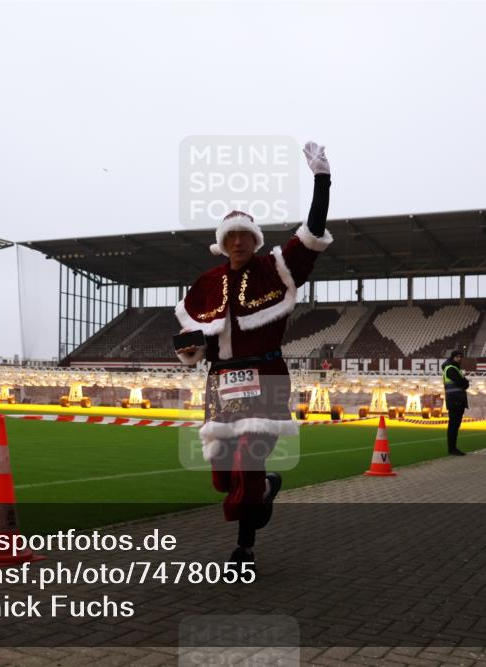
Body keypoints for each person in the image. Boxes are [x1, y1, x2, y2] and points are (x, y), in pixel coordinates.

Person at [175, 141, 332, 568]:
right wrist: (189, 351)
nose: (239, 242)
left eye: (245, 235)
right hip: (220, 384)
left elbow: (311, 235)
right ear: (223, 243)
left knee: (247, 463)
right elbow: (194, 338)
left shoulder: (274, 269)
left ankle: (243, 549)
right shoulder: (207, 281)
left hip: (264, 377)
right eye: (231, 237)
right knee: (224, 476)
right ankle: (264, 491)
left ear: (255, 239)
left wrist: (322, 180)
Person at [441, 350, 469, 456]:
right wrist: (466, 382)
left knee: (454, 425)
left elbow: (463, 382)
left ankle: (452, 448)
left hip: (455, 400)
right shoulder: (451, 369)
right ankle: (452, 448)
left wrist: (465, 382)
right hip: (455, 400)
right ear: (453, 357)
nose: (459, 359)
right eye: (457, 357)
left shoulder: (454, 368)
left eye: (460, 357)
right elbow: (463, 383)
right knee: (453, 425)